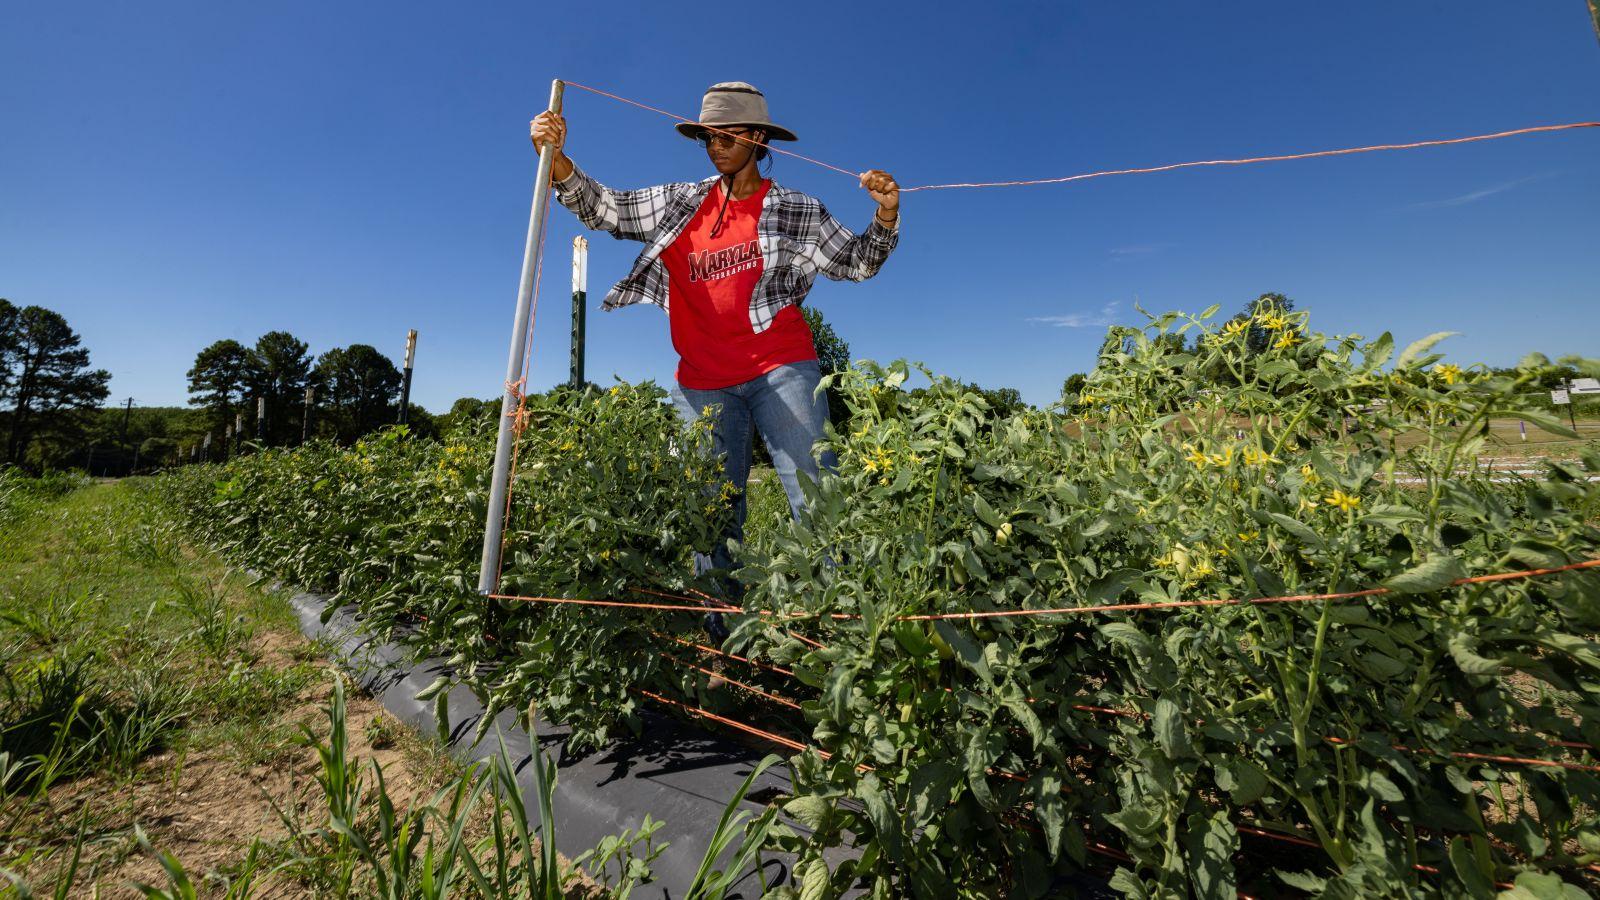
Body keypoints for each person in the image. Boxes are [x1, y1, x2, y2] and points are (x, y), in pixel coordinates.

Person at [531, 81, 899, 638]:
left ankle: (846, 637)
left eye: (728, 135)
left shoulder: (795, 208)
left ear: (756, 137)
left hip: (781, 366)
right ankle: (725, 639)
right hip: (702, 381)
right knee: (711, 515)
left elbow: (856, 263)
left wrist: (886, 218)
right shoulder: (681, 202)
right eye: (708, 137)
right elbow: (608, 208)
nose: (716, 146)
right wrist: (557, 160)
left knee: (818, 499)